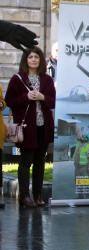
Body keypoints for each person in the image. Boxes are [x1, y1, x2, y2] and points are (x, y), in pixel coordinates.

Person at [5, 47, 55, 208]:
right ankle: (25, 196)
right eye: (30, 57)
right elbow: (10, 101)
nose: (33, 59)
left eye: (36, 57)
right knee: (26, 161)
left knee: (41, 161)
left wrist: (43, 97)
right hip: (27, 128)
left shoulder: (47, 80)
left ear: (40, 60)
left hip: (43, 127)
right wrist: (25, 97)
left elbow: (53, 101)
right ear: (25, 60)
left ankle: (38, 195)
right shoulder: (17, 79)